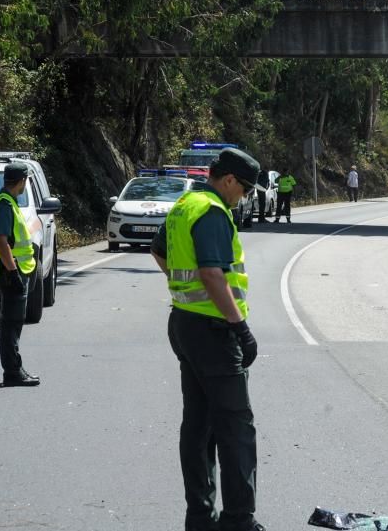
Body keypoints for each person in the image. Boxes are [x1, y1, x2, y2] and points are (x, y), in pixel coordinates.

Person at [149, 148, 266, 531]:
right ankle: (238, 521)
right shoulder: (213, 211)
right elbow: (213, 274)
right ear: (229, 180)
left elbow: (158, 251)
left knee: (198, 426)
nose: (244, 197)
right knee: (236, 428)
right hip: (214, 332)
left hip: (184, 324)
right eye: (245, 189)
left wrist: (184, 291)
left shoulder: (185, 204)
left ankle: (200, 517)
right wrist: (239, 327)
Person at [0, 163, 39, 387]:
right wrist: (13, 271)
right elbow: (1, 240)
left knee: (13, 323)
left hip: (12, 270)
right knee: (11, 323)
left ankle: (14, 369)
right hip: (9, 272)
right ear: (22, 181)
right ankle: (13, 372)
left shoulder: (8, 202)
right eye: (25, 181)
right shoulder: (5, 205)